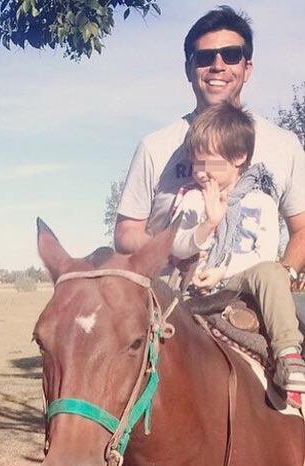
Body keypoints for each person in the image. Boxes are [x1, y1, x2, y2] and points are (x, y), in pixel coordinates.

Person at [114, 5, 305, 286]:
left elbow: (301, 228)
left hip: (253, 306)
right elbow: (125, 233)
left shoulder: (284, 145)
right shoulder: (155, 147)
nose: (218, 65)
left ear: (246, 68)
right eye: (204, 57)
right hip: (171, 310)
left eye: (231, 55)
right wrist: (178, 246)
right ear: (189, 69)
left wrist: (283, 276)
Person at [170, 101, 305, 407]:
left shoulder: (262, 203)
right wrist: (209, 224)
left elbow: (264, 255)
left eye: (207, 163)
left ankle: (288, 354)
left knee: (273, 272)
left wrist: (224, 271)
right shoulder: (192, 199)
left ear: (238, 157)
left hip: (240, 279)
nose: (200, 173)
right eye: (195, 164)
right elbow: (177, 245)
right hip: (196, 282)